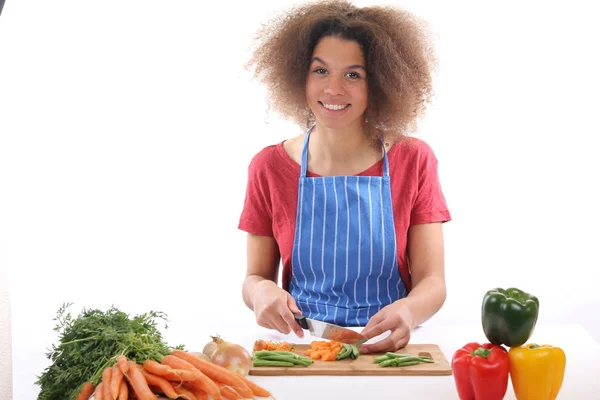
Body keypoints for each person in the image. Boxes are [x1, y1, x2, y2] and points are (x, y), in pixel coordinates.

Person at [238, 0, 451, 353]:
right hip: (303, 346)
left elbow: (433, 281)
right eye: (320, 71)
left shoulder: (412, 160)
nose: (333, 89)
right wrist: (260, 291)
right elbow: (254, 278)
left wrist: (409, 311)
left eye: (353, 74)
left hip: (388, 345)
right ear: (298, 76)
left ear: (381, 83)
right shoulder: (268, 167)